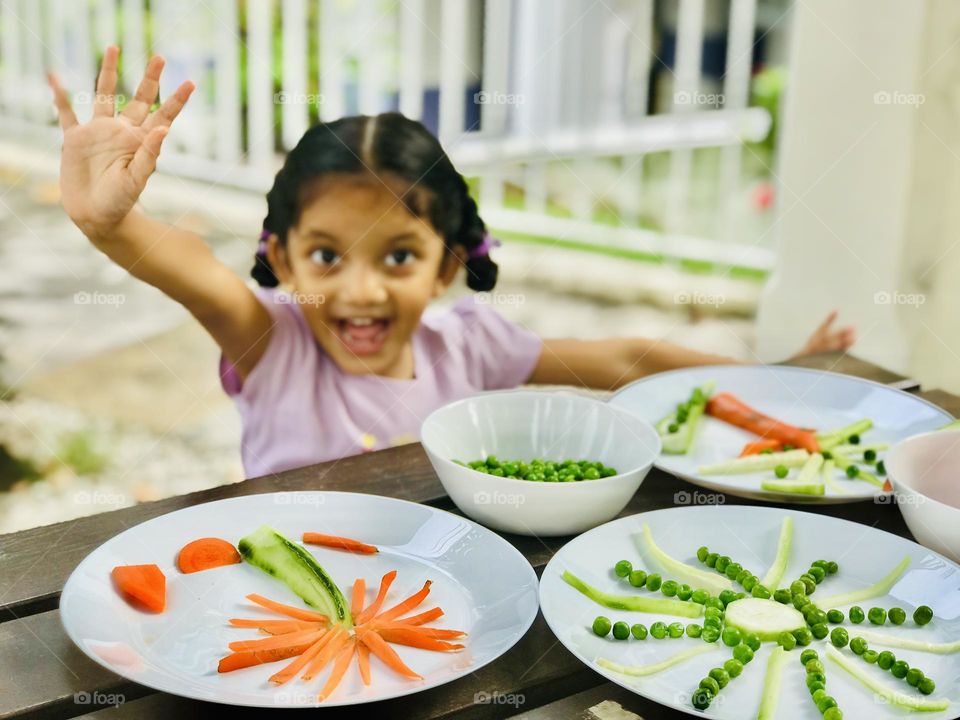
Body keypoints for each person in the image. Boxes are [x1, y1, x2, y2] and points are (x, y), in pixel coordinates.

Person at [49, 47, 855, 477]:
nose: (361, 290)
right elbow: (195, 274)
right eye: (325, 255)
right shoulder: (270, 341)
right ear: (282, 261)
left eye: (399, 256)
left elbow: (625, 358)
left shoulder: (469, 345)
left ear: (444, 269)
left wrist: (776, 382)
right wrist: (114, 227)